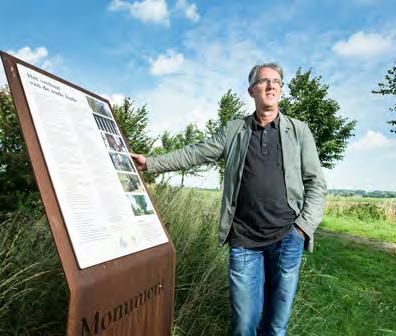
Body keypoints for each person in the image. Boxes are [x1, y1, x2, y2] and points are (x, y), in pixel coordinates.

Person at [131, 62, 326, 336]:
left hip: (287, 238)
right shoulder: (235, 130)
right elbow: (195, 153)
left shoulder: (299, 131)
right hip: (244, 241)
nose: (270, 86)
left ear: (281, 90)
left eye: (276, 82)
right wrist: (151, 163)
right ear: (251, 91)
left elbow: (316, 182)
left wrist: (303, 227)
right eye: (263, 81)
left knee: (276, 325)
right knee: (244, 323)